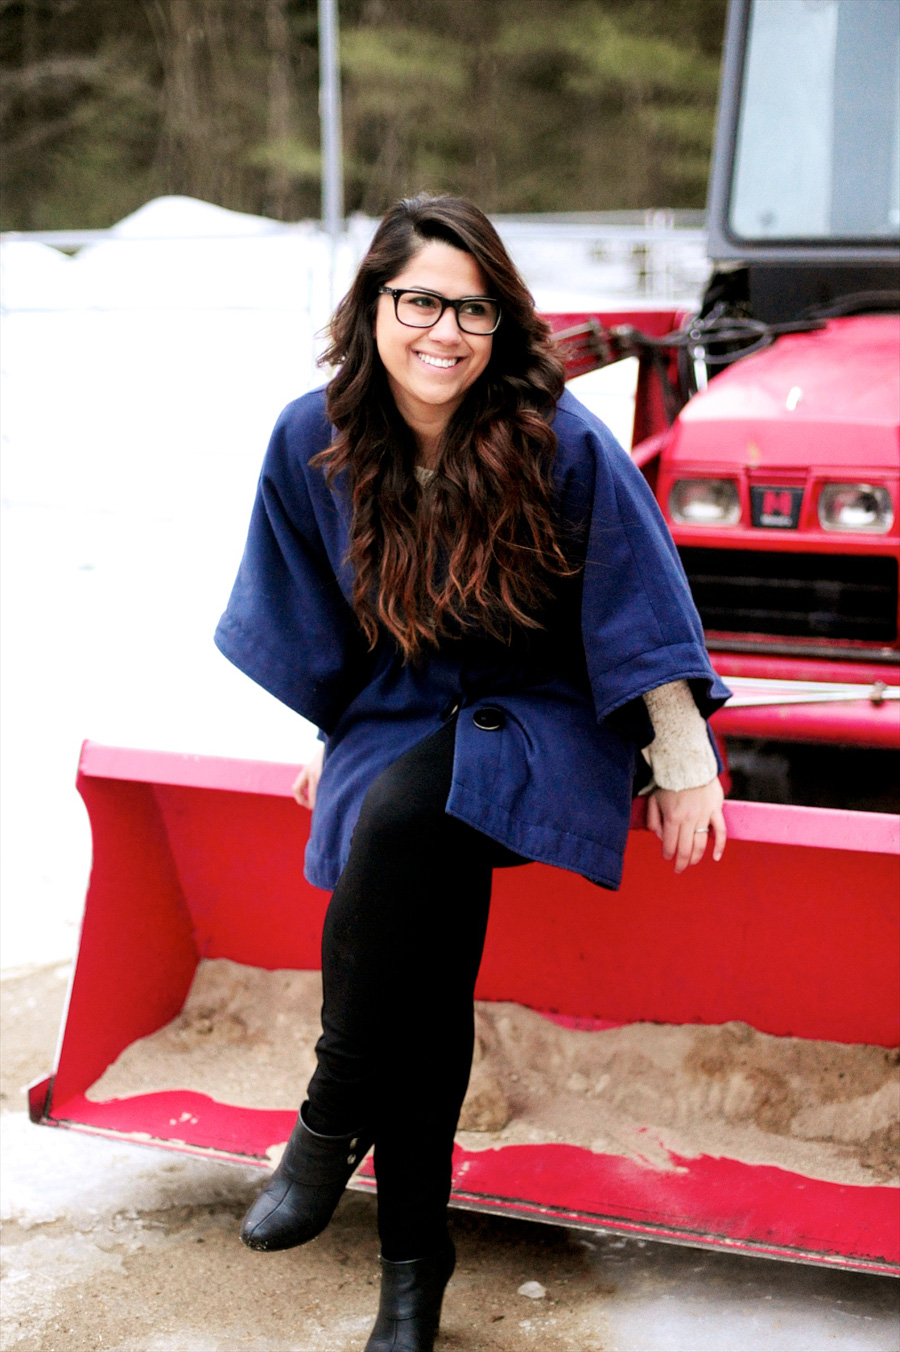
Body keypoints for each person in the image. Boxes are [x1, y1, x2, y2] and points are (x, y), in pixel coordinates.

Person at [215, 193, 730, 1352]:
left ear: (502, 323)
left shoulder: (555, 438)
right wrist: (328, 738)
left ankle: (327, 1112)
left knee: (401, 814)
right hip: (402, 710)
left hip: (547, 718)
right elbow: (318, 624)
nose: (443, 330)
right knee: (426, 971)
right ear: (374, 306)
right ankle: (414, 1274)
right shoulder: (313, 438)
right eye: (420, 301)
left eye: (473, 308)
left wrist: (685, 756)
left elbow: (634, 595)